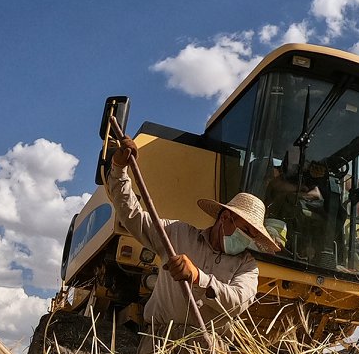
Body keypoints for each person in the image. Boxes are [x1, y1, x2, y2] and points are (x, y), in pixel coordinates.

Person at [106, 138, 280, 337]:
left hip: (206, 349)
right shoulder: (178, 233)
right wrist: (119, 170)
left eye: (252, 236)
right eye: (245, 231)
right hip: (159, 342)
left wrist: (198, 278)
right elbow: (133, 217)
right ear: (225, 218)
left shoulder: (247, 266)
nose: (247, 239)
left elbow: (237, 302)